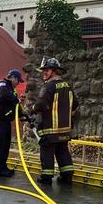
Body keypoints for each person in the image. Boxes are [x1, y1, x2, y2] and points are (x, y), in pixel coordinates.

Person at [31, 57, 78, 185]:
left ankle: (46, 177)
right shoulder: (68, 86)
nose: (44, 73)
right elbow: (75, 105)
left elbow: (40, 104)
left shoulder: (49, 86)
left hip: (50, 129)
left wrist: (31, 109)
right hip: (64, 130)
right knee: (62, 151)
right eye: (43, 70)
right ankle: (67, 176)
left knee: (47, 151)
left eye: (46, 70)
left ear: (54, 71)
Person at [0, 68, 26, 177]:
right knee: (0, 146)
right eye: (18, 81)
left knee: (5, 146)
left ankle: (3, 167)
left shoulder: (11, 89)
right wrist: (16, 100)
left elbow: (15, 106)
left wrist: (23, 115)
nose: (18, 84)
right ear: (13, 78)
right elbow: (2, 96)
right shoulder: (2, 84)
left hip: (5, 122)